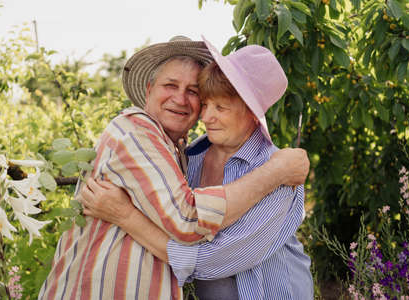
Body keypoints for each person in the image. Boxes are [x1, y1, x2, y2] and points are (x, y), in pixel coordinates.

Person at [38, 36, 310, 300]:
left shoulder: (279, 173)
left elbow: (212, 260)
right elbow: (187, 223)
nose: (205, 116)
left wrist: (124, 215)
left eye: (217, 105)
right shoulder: (188, 156)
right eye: (205, 103)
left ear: (251, 113)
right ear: (148, 91)